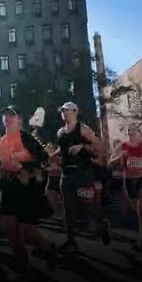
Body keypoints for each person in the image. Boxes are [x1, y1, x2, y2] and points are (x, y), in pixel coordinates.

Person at [0, 106, 56, 275]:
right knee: (10, 230)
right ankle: (24, 265)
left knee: (28, 234)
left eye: (11, 115)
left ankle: (47, 248)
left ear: (19, 120)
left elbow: (44, 160)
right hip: (8, 189)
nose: (7, 118)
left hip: (27, 189)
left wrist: (25, 167)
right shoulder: (2, 141)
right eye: (5, 115)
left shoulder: (27, 139)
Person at [55, 101, 102, 253]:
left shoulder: (83, 129)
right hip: (67, 174)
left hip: (83, 173)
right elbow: (62, 149)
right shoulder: (60, 132)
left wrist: (83, 147)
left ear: (75, 112)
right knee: (67, 209)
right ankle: (71, 241)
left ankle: (101, 223)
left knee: (87, 206)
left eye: (67, 110)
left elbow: (98, 146)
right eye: (62, 111)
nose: (64, 113)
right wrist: (53, 156)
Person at [114, 124, 142, 254]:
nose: (130, 135)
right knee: (137, 210)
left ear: (140, 133)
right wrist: (119, 158)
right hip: (130, 180)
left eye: (133, 132)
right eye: (128, 132)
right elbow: (109, 163)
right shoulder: (122, 146)